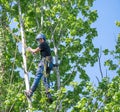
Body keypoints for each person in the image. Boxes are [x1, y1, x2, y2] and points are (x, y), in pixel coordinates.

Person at [25, 33, 53, 103]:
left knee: (38, 77)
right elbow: (39, 51)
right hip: (49, 64)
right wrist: (34, 51)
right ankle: (48, 94)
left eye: (39, 40)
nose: (39, 41)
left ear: (42, 39)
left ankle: (30, 92)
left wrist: (30, 49)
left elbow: (34, 50)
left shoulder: (43, 44)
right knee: (45, 80)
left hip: (44, 62)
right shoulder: (46, 46)